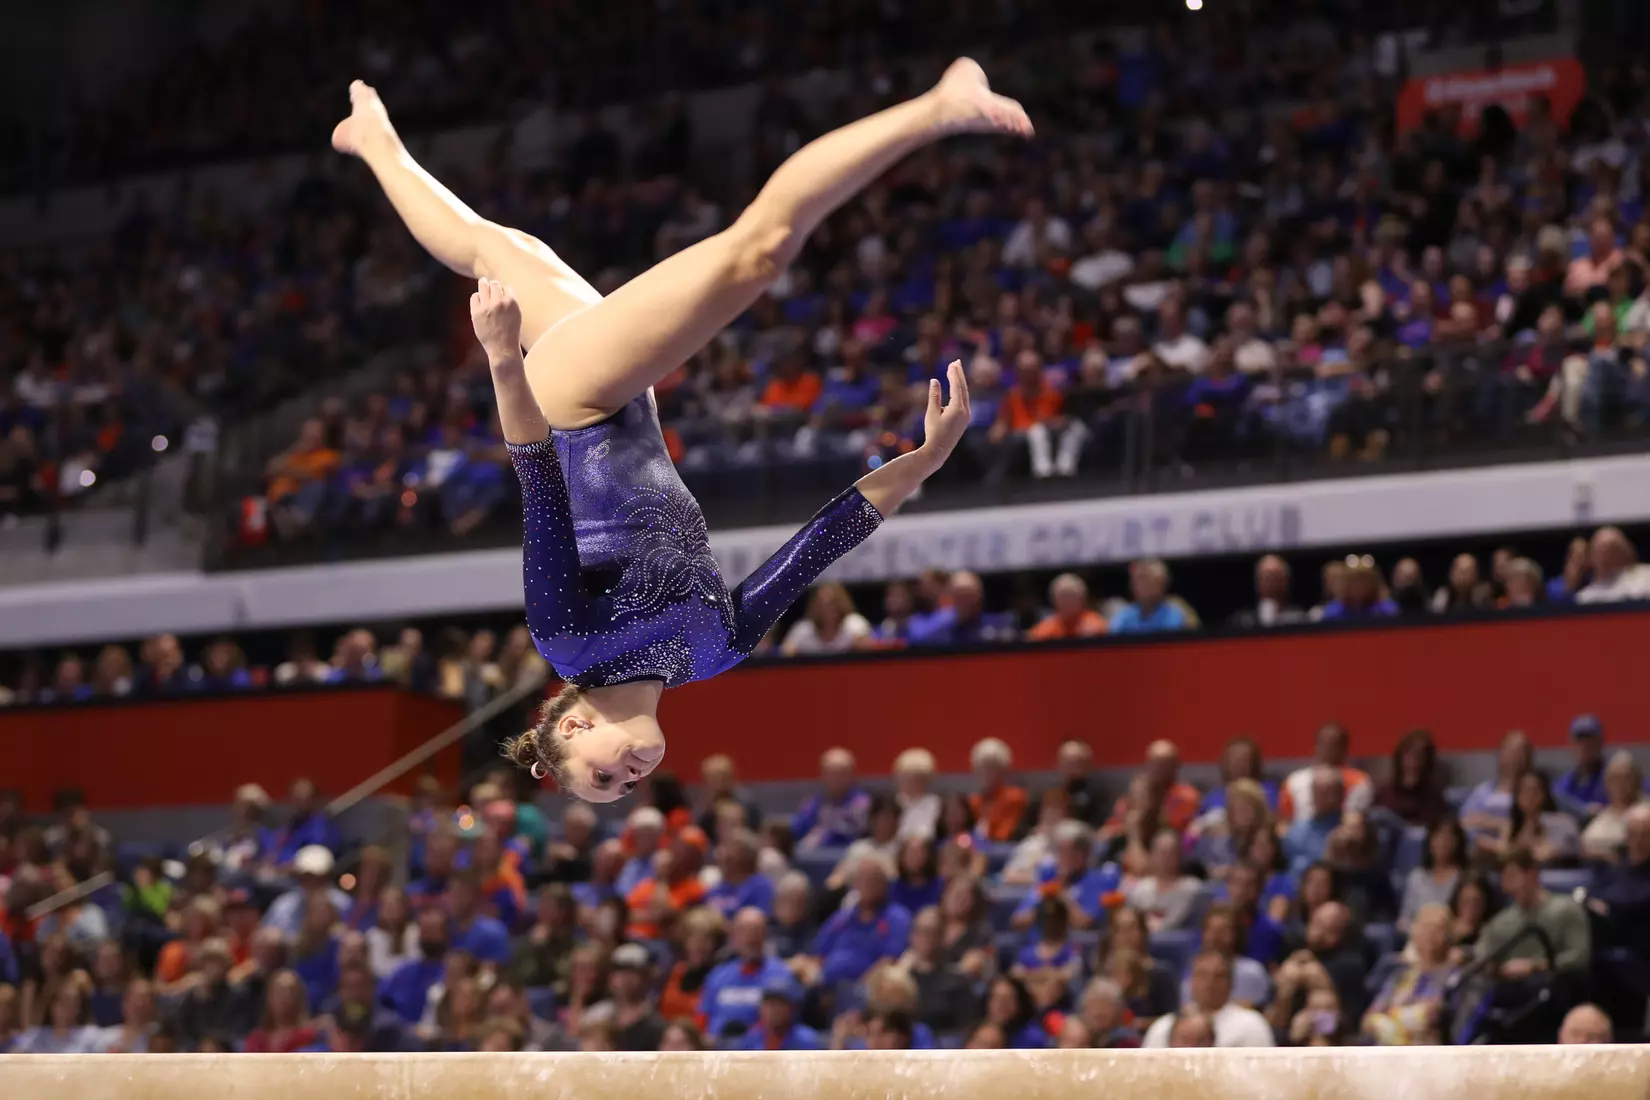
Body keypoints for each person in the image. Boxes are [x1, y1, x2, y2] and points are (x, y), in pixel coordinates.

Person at [333, 65, 1031, 802]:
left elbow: (538, 484)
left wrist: (504, 359)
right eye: (622, 790)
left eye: (601, 775)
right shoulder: (715, 651)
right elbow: (824, 540)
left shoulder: (570, 640)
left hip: (581, 401)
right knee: (493, 249)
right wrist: (925, 459)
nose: (629, 777)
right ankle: (376, 142)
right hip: (627, 400)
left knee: (757, 253)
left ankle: (937, 107)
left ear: (570, 729)